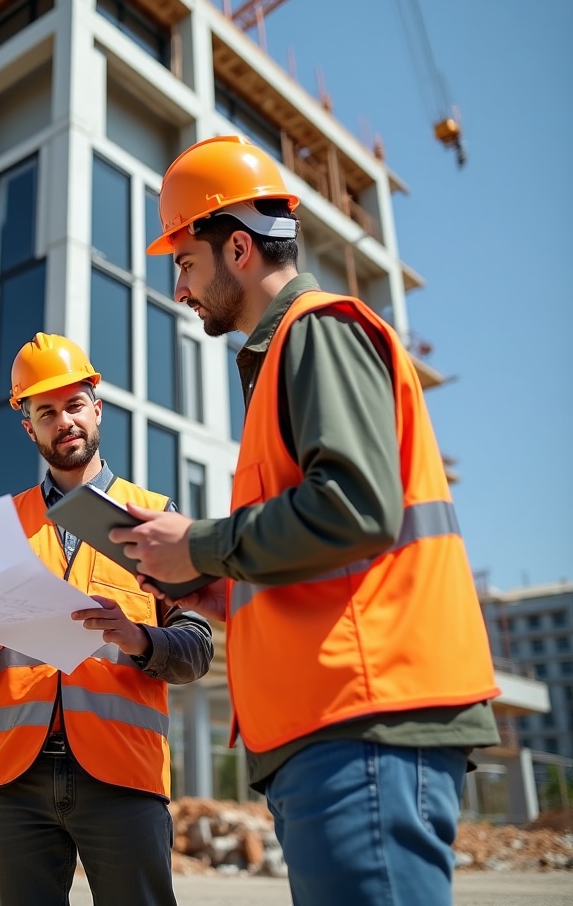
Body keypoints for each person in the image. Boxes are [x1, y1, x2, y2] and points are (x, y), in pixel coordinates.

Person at [114, 134, 501, 906]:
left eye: (184, 264)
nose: (180, 290)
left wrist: (201, 544)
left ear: (238, 249)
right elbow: (326, 553)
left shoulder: (318, 329)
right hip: (334, 726)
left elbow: (355, 508)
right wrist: (212, 585)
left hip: (363, 721)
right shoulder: (287, 358)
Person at [0, 333, 213, 906]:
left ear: (97, 408)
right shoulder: (3, 527)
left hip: (123, 774)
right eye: (46, 412)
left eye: (73, 405)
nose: (63, 421)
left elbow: (197, 649)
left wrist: (139, 639)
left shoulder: (152, 516)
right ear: (29, 427)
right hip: (14, 781)